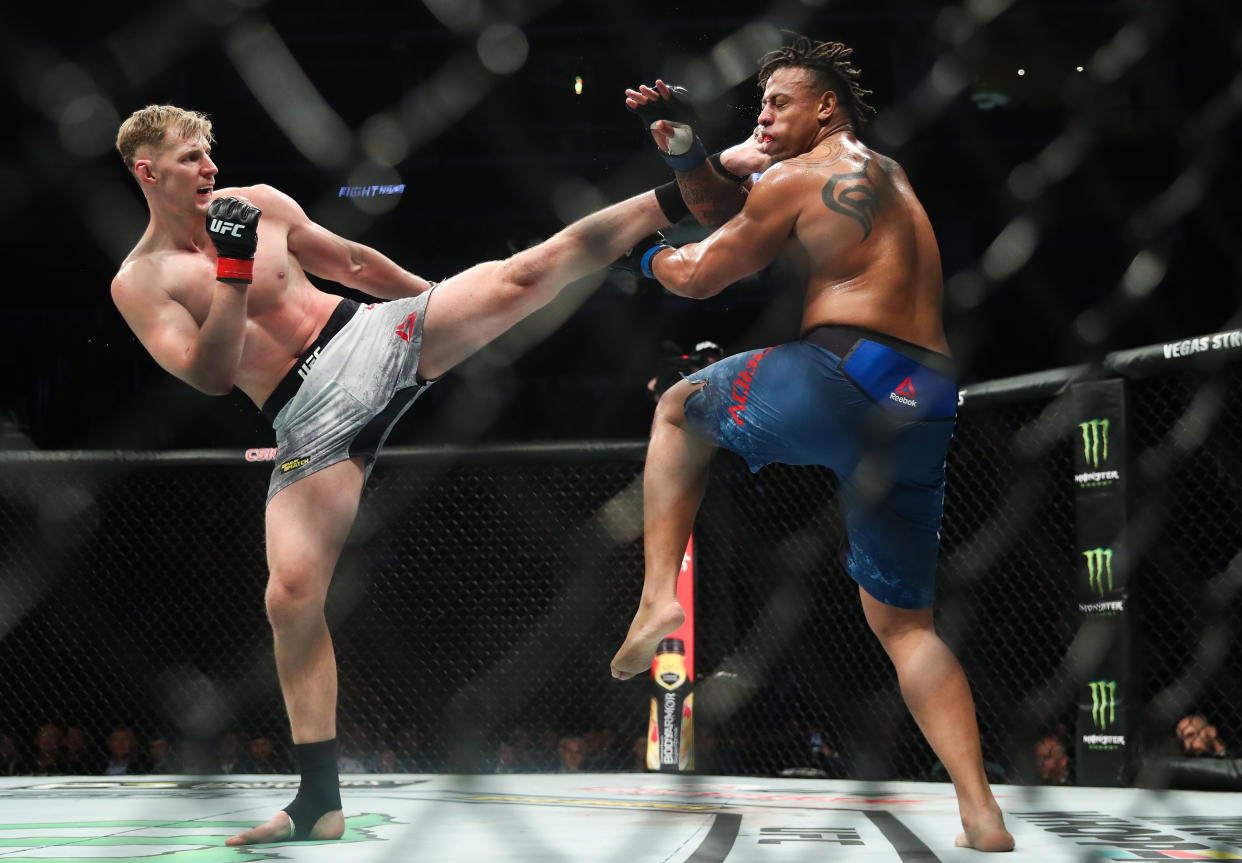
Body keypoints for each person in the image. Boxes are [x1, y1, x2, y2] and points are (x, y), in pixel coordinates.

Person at [112, 104, 675, 845]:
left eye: (210, 153)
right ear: (147, 172)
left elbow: (351, 264)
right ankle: (319, 799)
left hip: (368, 334)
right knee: (289, 594)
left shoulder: (263, 204)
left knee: (519, 274)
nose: (210, 168)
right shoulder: (140, 280)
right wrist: (234, 270)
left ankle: (673, 197)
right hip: (304, 417)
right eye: (190, 159)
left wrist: (434, 302)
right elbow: (211, 374)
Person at [607, 35, 1014, 852]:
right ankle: (981, 811)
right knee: (905, 625)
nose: (762, 117)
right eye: (758, 106)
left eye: (779, 103)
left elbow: (702, 271)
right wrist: (688, 147)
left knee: (679, 407)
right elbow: (734, 207)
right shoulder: (886, 175)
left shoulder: (796, 177)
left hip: (843, 373)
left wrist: (642, 256)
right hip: (926, 398)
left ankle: (657, 596)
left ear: (826, 106)